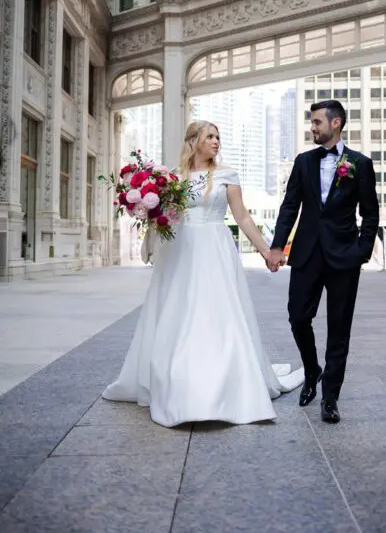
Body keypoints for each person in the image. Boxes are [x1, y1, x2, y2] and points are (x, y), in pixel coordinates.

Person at [103, 121, 304, 427]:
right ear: (193, 140)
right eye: (210, 136)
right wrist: (149, 238)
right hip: (181, 251)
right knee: (179, 313)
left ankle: (222, 383)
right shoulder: (173, 177)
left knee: (216, 314)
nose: (215, 142)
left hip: (214, 248)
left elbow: (243, 217)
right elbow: (164, 216)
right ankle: (179, 381)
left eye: (218, 137)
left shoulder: (227, 175)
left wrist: (267, 250)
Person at [267, 100, 379, 424]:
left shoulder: (360, 163)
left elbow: (370, 214)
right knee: (297, 316)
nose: (312, 128)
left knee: (339, 328)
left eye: (317, 122)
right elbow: (290, 207)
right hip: (307, 253)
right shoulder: (303, 162)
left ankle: (330, 396)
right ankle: (312, 367)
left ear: (336, 124)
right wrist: (277, 247)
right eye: (311, 122)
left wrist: (362, 251)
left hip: (345, 257)